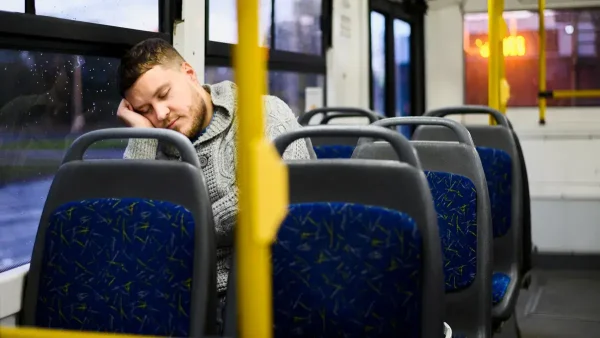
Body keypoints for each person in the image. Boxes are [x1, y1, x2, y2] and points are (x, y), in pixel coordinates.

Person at [116, 38, 311, 331]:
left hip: (266, 289)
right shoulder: (155, 141)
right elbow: (131, 229)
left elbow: (276, 205)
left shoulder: (264, 113)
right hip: (180, 292)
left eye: (165, 94)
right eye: (144, 110)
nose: (160, 114)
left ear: (189, 73)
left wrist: (179, 225)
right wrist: (143, 136)